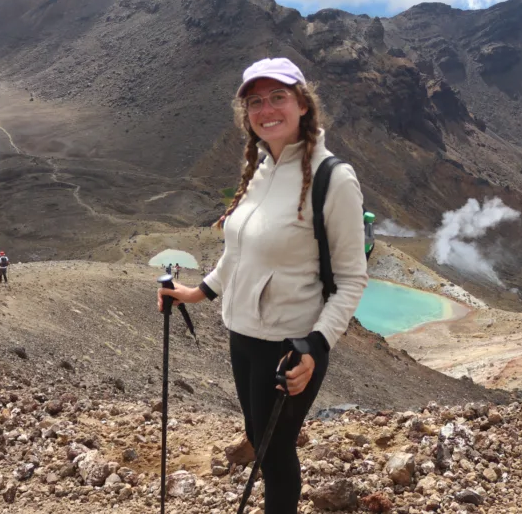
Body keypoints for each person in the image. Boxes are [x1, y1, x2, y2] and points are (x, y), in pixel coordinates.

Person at [156, 57, 367, 513]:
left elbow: (352, 278)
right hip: (244, 335)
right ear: (246, 114)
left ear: (303, 104)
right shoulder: (261, 169)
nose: (266, 109)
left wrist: (314, 347)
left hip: (291, 347)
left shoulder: (334, 178)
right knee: (258, 436)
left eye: (278, 97)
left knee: (275, 450)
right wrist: (196, 293)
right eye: (255, 101)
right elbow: (239, 251)